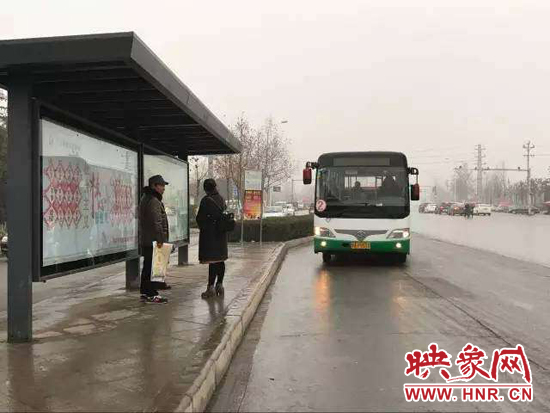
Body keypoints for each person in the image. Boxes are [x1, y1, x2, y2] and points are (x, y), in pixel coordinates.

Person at [139, 175, 170, 303]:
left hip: (148, 239)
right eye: (161, 185)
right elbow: (156, 222)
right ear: (154, 186)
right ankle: (152, 293)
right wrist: (161, 240)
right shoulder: (153, 201)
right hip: (154, 240)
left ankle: (145, 292)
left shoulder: (146, 198)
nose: (163, 188)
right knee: (152, 268)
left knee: (148, 267)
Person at [196, 179, 228, 299]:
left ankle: (210, 288)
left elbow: (200, 218)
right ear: (215, 186)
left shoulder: (206, 200)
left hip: (210, 236)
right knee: (221, 260)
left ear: (205, 189)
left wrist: (204, 227)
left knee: (213, 261)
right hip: (221, 235)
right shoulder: (221, 199)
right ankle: (220, 285)